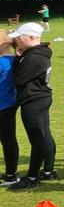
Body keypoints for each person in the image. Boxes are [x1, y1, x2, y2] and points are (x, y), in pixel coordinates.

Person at [7, 23, 56, 190]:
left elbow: (17, 79)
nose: (18, 41)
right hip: (41, 98)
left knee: (37, 139)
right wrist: (21, 56)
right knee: (44, 135)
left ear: (31, 37)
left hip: (33, 101)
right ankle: (48, 171)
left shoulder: (34, 57)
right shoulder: (39, 52)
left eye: (21, 38)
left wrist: (18, 59)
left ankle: (33, 176)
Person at [0, 30, 19, 186]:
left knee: (7, 139)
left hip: (3, 105)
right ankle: (11, 173)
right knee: (8, 138)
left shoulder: (3, 62)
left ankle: (11, 174)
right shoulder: (14, 59)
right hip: (10, 103)